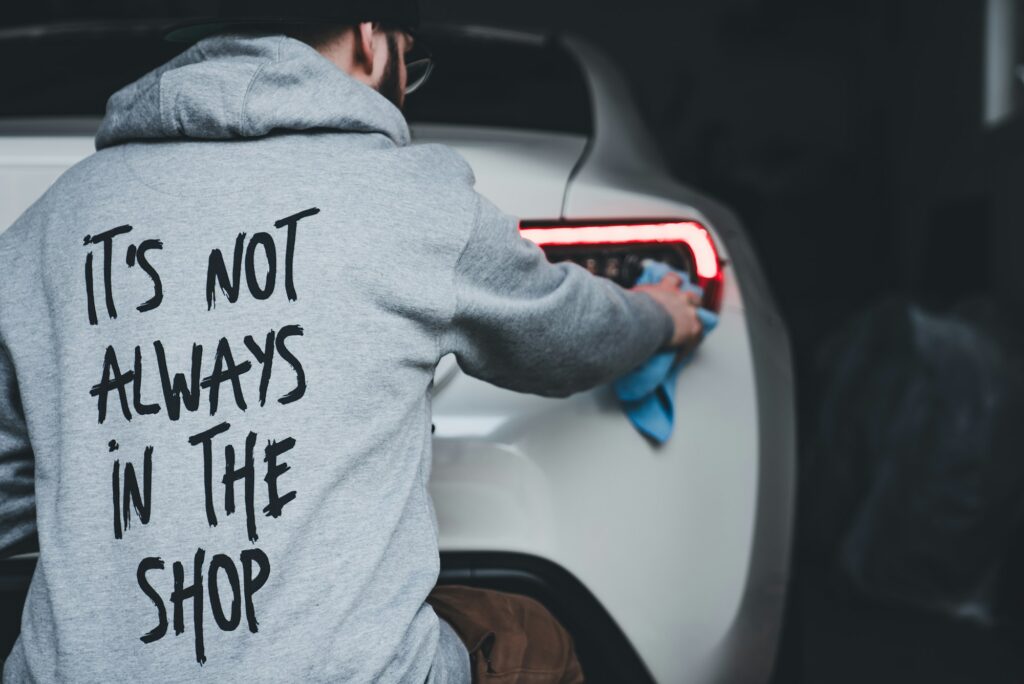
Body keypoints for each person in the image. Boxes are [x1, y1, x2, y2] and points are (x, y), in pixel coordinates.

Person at [0, 1, 704, 682]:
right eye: (411, 61)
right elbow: (567, 336)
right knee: (530, 636)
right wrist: (658, 314)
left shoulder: (48, 223)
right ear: (371, 38)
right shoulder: (411, 196)